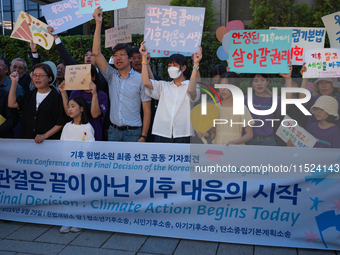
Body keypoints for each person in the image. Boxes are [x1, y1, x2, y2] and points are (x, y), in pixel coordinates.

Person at [92, 7, 151, 142]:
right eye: (115, 55)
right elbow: (96, 53)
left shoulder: (141, 79)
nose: (118, 58)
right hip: (113, 132)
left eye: (122, 55)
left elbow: (147, 110)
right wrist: (98, 23)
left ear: (130, 58)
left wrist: (143, 136)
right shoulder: (111, 75)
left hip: (134, 133)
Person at [140, 41, 201, 143]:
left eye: (175, 65)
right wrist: (144, 59)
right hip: (162, 131)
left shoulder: (190, 85)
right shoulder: (164, 86)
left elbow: (191, 90)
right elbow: (146, 82)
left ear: (183, 68)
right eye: (169, 65)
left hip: (183, 132)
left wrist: (196, 63)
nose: (171, 68)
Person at [8, 63, 68, 142]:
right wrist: (14, 82)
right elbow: (12, 104)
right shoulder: (29, 95)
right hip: (28, 141)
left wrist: (45, 135)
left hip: (49, 144)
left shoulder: (57, 98)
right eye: (34, 75)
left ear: (50, 78)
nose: (37, 78)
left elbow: (60, 122)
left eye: (40, 75)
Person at [60, 96, 94, 233]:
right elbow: (61, 145)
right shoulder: (67, 126)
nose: (69, 109)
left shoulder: (87, 127)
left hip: (81, 168)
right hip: (67, 166)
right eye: (68, 106)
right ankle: (67, 220)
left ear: (81, 108)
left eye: (73, 106)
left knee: (79, 194)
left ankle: (79, 220)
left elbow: (89, 148)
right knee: (67, 194)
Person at [59, 65, 108, 141]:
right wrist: (63, 93)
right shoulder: (75, 93)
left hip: (94, 134)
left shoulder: (102, 95)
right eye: (80, 76)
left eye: (86, 76)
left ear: (93, 77)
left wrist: (94, 94)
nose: (83, 79)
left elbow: (95, 115)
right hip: (76, 135)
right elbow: (69, 113)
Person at [208, 72, 253, 146]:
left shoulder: (241, 108)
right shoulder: (215, 108)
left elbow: (249, 134)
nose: (223, 89)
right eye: (221, 85)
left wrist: (234, 142)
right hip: (218, 146)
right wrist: (206, 134)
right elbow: (214, 133)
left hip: (236, 149)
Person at [245, 73, 280, 146]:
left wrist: (288, 78)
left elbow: (289, 99)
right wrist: (232, 73)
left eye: (262, 80)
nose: (259, 84)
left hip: (268, 141)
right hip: (249, 140)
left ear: (267, 82)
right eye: (256, 81)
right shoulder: (245, 100)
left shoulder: (273, 100)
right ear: (251, 83)